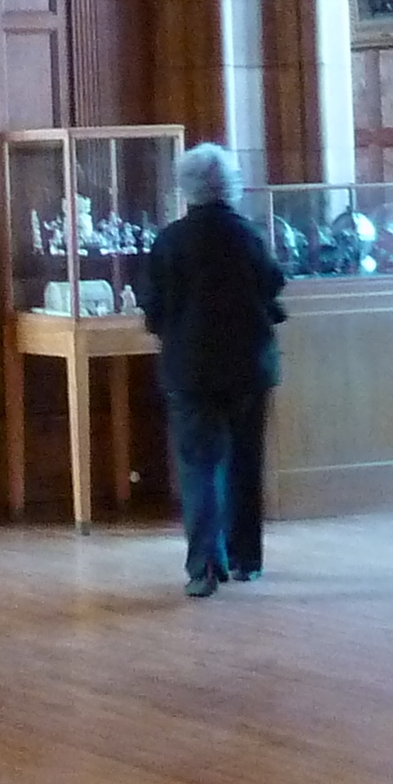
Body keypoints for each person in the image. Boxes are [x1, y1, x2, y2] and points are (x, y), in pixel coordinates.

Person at [135, 141, 284, 598]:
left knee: (199, 467)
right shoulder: (249, 234)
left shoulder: (170, 241)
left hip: (190, 370)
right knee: (245, 463)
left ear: (186, 189)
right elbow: (272, 287)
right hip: (247, 367)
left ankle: (203, 566)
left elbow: (154, 309)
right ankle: (246, 559)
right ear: (230, 185)